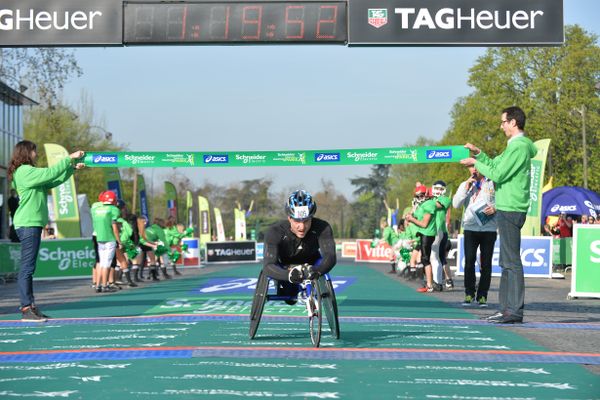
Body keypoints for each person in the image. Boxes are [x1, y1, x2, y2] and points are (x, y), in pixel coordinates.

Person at [461, 106, 537, 324]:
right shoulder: (514, 146)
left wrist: (476, 164)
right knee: (506, 261)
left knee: (511, 261)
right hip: (507, 206)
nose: (501, 126)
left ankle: (514, 310)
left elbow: (498, 174)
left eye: (503, 122)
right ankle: (505, 309)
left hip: (512, 207)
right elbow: (495, 165)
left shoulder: (519, 147)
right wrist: (479, 153)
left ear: (513, 122)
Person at [7, 140, 85, 321]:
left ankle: (31, 306)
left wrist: (71, 169)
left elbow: (52, 180)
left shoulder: (29, 172)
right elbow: (50, 172)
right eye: (34, 151)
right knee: (27, 268)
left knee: (29, 267)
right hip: (28, 223)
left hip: (30, 224)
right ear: (26, 152)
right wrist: (68, 158)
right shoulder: (25, 171)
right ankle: (26, 308)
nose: (36, 154)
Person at [262, 190, 336, 305]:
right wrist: (289, 275)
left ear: (312, 217)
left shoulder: (323, 227)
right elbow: (268, 266)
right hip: (286, 266)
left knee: (321, 262)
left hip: (312, 263)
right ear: (289, 218)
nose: (301, 227)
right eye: (297, 221)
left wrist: (318, 270)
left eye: (306, 221)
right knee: (290, 298)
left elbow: (330, 256)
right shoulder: (275, 231)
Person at [452, 166, 497, 308]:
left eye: (477, 168)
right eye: (472, 168)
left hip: (488, 229)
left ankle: (483, 295)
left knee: (486, 263)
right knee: (469, 261)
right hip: (470, 228)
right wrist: (466, 187)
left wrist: (495, 208)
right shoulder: (465, 184)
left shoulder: (493, 183)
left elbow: (504, 201)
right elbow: (456, 204)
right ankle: (469, 293)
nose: (474, 171)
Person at [405, 185, 440, 292]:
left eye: (420, 195)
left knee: (425, 259)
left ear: (426, 195)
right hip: (424, 234)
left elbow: (424, 224)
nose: (418, 198)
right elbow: (414, 215)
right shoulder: (423, 204)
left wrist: (411, 219)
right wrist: (410, 215)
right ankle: (430, 282)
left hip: (427, 233)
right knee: (424, 259)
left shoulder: (429, 204)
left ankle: (430, 285)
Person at [90, 191, 121, 293]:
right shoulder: (114, 210)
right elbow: (115, 228)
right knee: (106, 264)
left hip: (99, 238)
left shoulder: (96, 209)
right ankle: (105, 285)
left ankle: (98, 285)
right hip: (110, 238)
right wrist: (119, 241)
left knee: (101, 262)